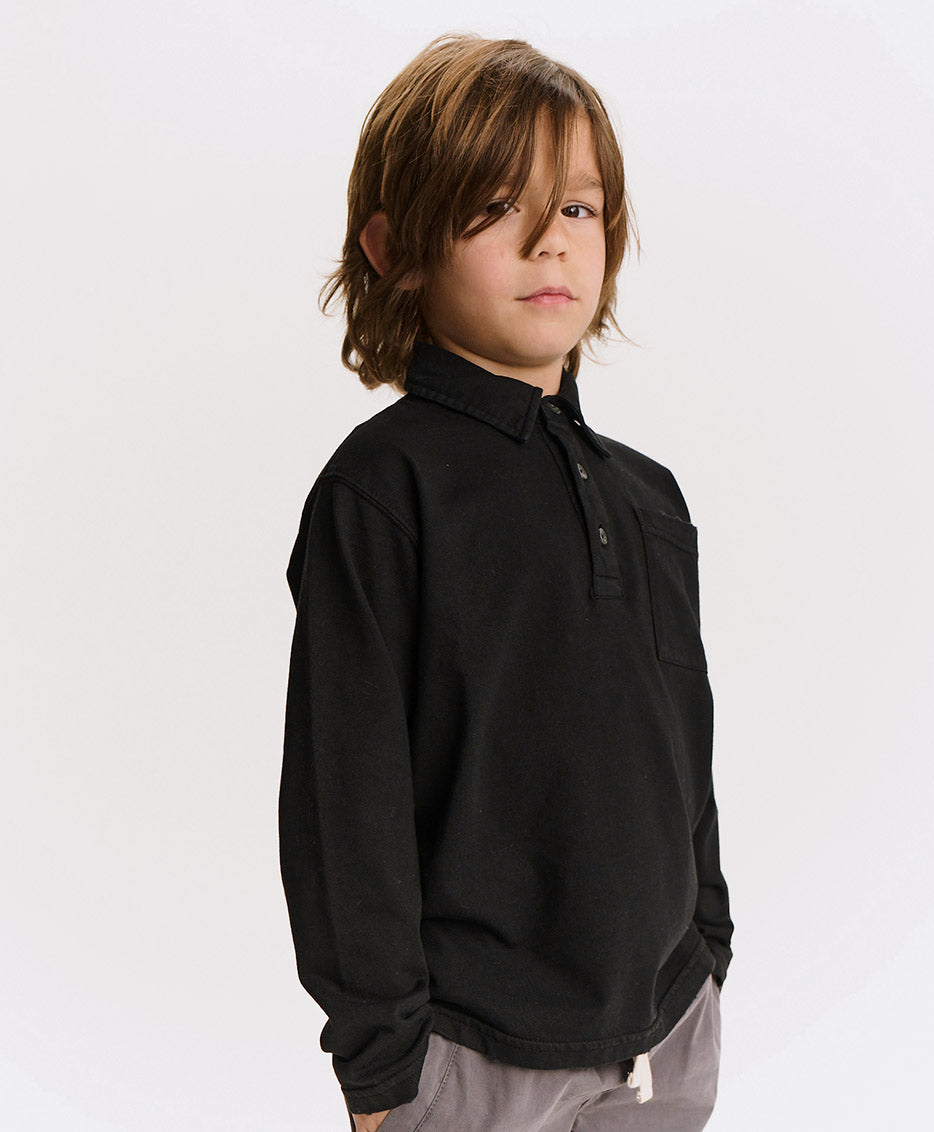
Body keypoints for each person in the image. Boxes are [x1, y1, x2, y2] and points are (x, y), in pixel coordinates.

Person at [279, 32, 734, 1132]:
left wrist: (708, 946)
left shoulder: (648, 497)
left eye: (577, 207)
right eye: (495, 206)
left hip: (664, 1034)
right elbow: (346, 798)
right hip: (470, 1056)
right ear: (394, 247)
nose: (549, 241)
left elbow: (684, 748)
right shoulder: (383, 489)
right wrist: (383, 1066)